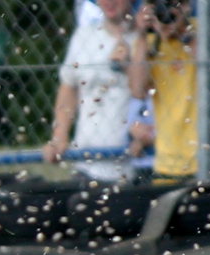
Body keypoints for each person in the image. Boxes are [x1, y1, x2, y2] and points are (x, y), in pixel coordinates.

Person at [43, 0, 138, 183]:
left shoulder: (143, 40)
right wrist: (60, 136)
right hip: (86, 161)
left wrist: (129, 66)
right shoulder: (85, 36)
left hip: (133, 162)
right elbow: (69, 86)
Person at [129, 0, 198, 183]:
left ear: (186, 6)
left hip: (208, 153)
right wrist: (142, 35)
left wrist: (184, 33)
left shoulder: (203, 32)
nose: (166, 16)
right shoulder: (151, 44)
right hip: (168, 159)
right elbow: (137, 90)